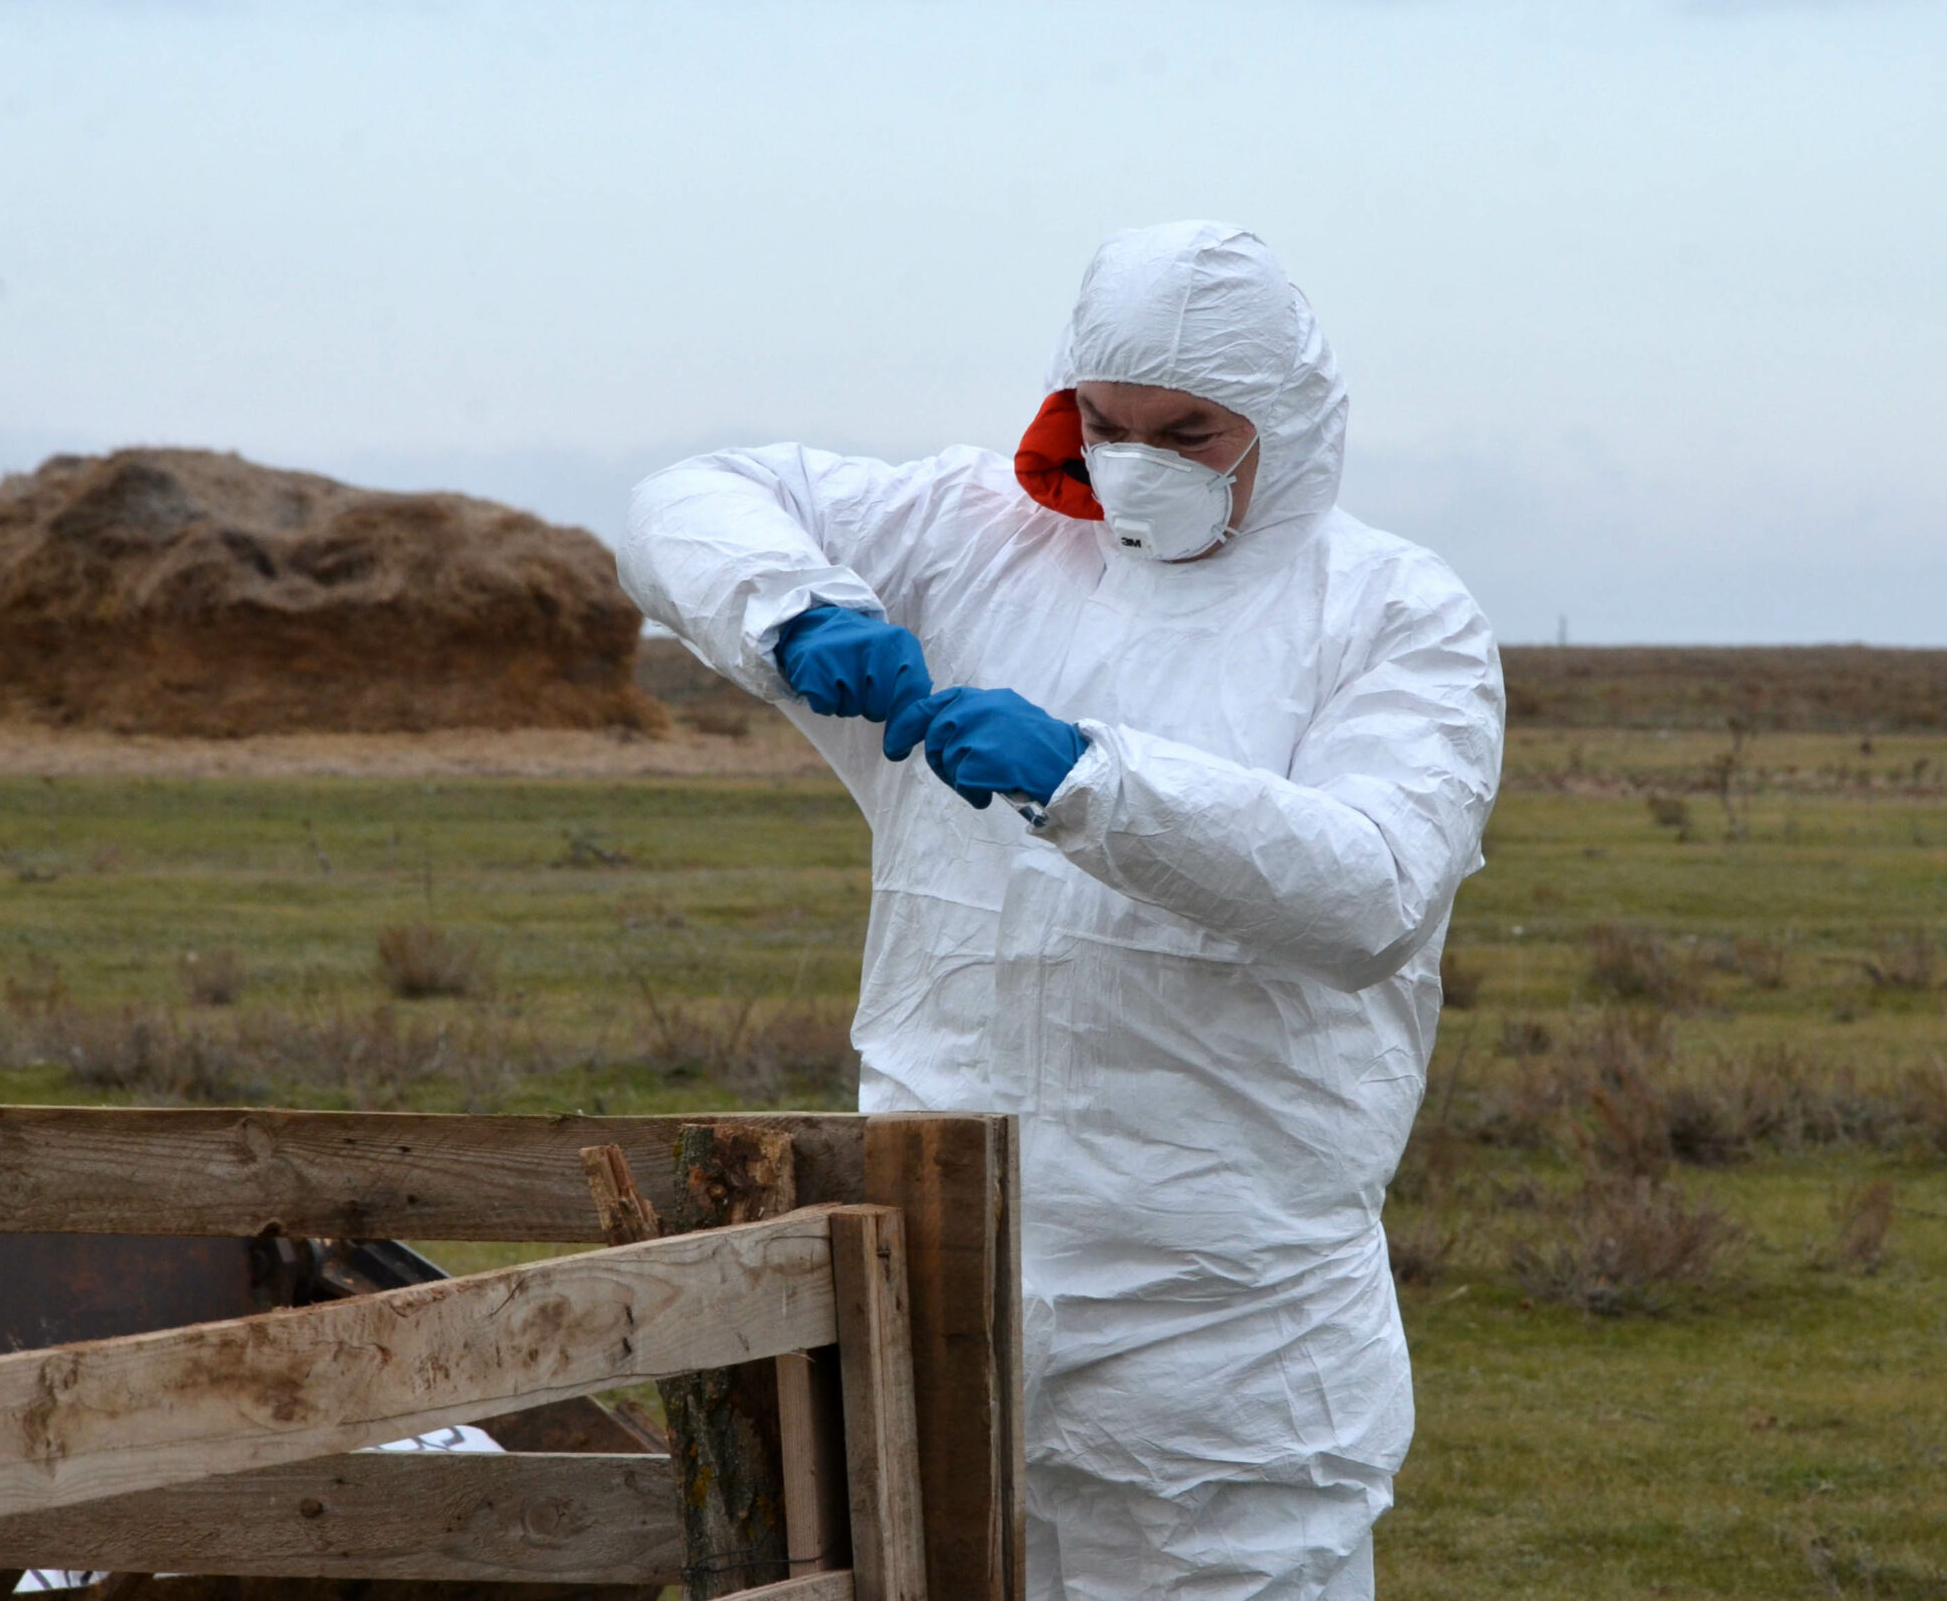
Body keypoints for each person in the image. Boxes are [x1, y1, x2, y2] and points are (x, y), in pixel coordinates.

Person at [619, 221, 1503, 1599]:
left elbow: (1370, 890)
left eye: (1189, 431)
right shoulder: (978, 538)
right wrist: (791, 610)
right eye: (1106, 422)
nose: (1136, 461)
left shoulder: (1390, 614)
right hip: (943, 1269)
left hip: (1225, 1326)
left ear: (1287, 421)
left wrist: (1093, 782)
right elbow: (689, 500)